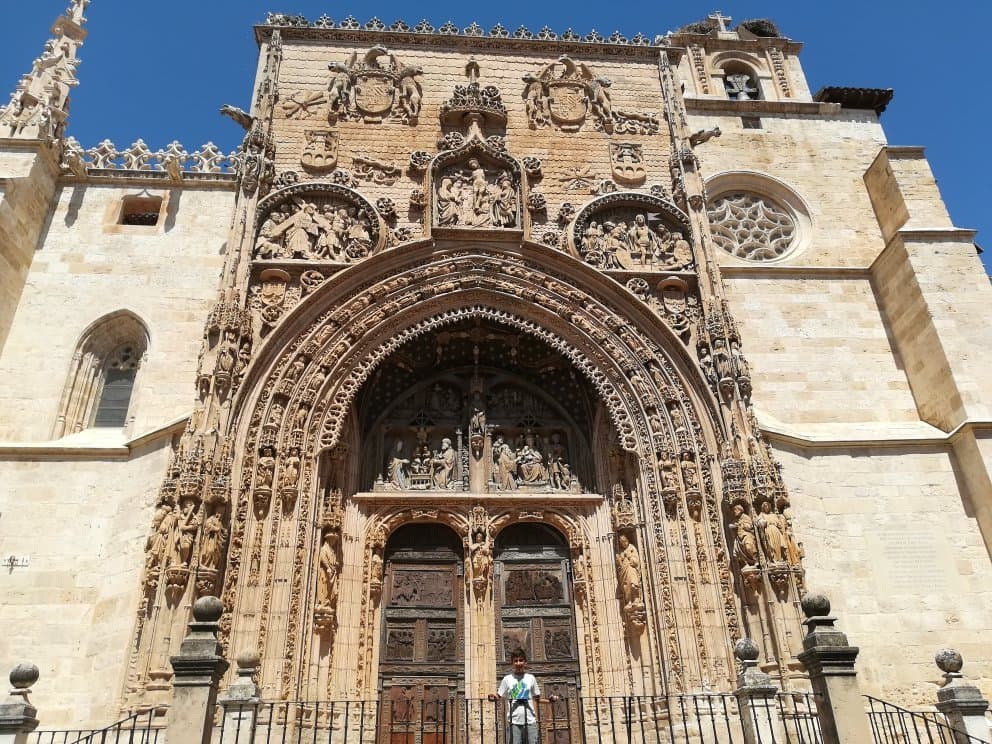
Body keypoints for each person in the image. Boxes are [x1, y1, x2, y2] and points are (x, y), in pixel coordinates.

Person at [489, 650, 559, 744]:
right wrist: (493, 697)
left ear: (525, 662)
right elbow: (499, 696)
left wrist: (550, 701)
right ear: (512, 663)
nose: (518, 663)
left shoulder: (531, 678)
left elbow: (537, 699)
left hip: (530, 721)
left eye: (521, 660)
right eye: (516, 661)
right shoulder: (507, 679)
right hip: (513, 722)